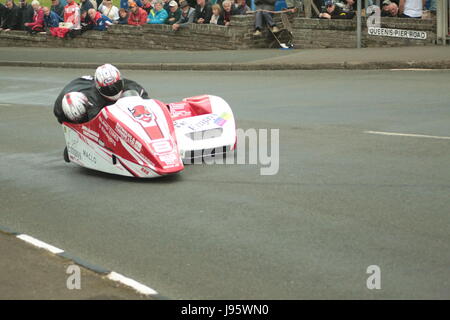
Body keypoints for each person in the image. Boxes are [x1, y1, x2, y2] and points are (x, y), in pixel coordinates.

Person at [54, 64, 150, 124]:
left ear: (121, 80)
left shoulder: (132, 86)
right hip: (78, 92)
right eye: (107, 88)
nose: (112, 90)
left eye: (116, 85)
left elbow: (148, 105)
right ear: (98, 87)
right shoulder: (93, 98)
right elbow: (95, 125)